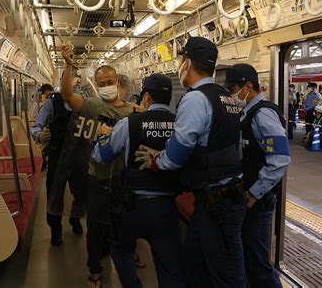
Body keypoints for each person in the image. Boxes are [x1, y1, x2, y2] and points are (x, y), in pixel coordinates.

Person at [134, 37, 247, 288]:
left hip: (216, 200)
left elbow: (180, 149)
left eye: (181, 61)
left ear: (187, 63)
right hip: (224, 194)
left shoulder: (196, 99)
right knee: (195, 263)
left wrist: (157, 161)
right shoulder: (225, 97)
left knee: (226, 274)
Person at [93, 73, 185, 288]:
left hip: (131, 205)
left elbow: (101, 155)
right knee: (170, 265)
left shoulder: (129, 123)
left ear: (147, 98)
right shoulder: (180, 124)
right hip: (166, 208)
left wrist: (105, 135)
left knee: (121, 248)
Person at [61, 44, 136, 288]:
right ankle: (94, 270)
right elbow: (68, 96)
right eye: (101, 83)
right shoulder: (94, 106)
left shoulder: (134, 112)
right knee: (95, 228)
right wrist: (69, 66)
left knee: (124, 223)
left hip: (123, 178)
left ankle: (128, 256)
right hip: (97, 177)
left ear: (118, 82)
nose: (106, 86)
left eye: (109, 81)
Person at [224, 64, 291, 288]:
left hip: (258, 201)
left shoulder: (263, 114)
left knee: (258, 262)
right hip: (247, 197)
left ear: (248, 86)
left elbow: (280, 159)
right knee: (248, 257)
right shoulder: (247, 113)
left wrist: (254, 193)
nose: (232, 95)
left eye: (234, 89)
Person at [30, 84, 85, 246]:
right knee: (55, 194)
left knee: (80, 192)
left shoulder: (84, 103)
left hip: (78, 155)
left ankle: (75, 220)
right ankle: (55, 229)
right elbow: (36, 126)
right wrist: (39, 136)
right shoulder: (51, 103)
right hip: (57, 155)